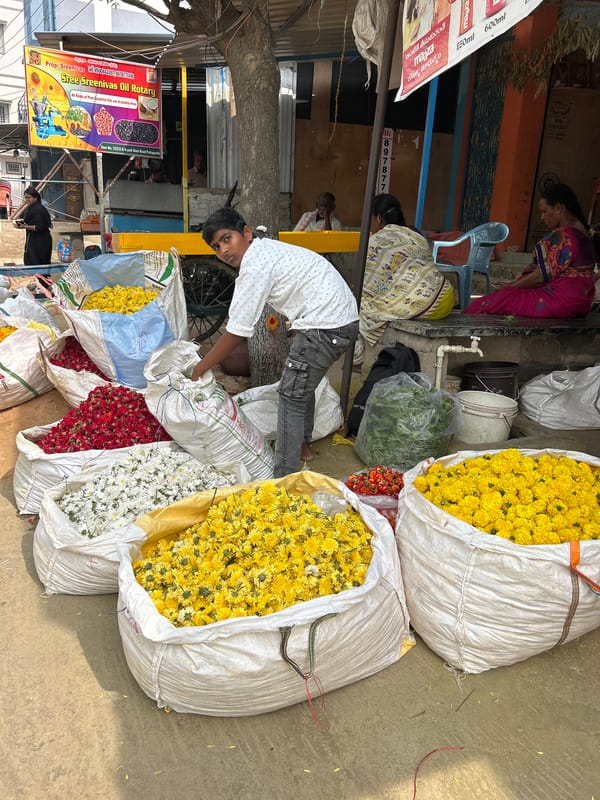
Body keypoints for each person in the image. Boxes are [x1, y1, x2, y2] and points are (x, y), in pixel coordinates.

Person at [191, 206, 359, 477]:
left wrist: (202, 367)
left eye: (227, 239)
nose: (223, 250)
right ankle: (303, 446)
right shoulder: (264, 249)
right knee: (298, 382)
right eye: (216, 247)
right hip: (337, 320)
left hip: (326, 326)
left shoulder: (255, 265)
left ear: (246, 232)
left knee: (291, 395)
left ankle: (284, 475)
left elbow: (237, 332)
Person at [463, 183, 599, 317]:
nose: (542, 217)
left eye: (545, 211)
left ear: (558, 208)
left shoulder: (565, 234)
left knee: (495, 301)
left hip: (562, 301)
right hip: (581, 300)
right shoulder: (583, 231)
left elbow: (540, 276)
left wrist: (511, 287)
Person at [353, 193, 455, 365]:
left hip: (424, 306)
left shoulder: (377, 240)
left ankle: (358, 360)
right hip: (445, 296)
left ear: (378, 218)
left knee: (361, 306)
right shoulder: (415, 234)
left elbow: (368, 283)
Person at [13, 186, 53, 266]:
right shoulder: (29, 208)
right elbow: (27, 221)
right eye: (25, 197)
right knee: (30, 261)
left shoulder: (39, 209)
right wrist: (19, 224)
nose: (27, 199)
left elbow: (40, 227)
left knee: (39, 265)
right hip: (32, 239)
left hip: (41, 241)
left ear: (35, 198)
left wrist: (24, 227)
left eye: (29, 197)